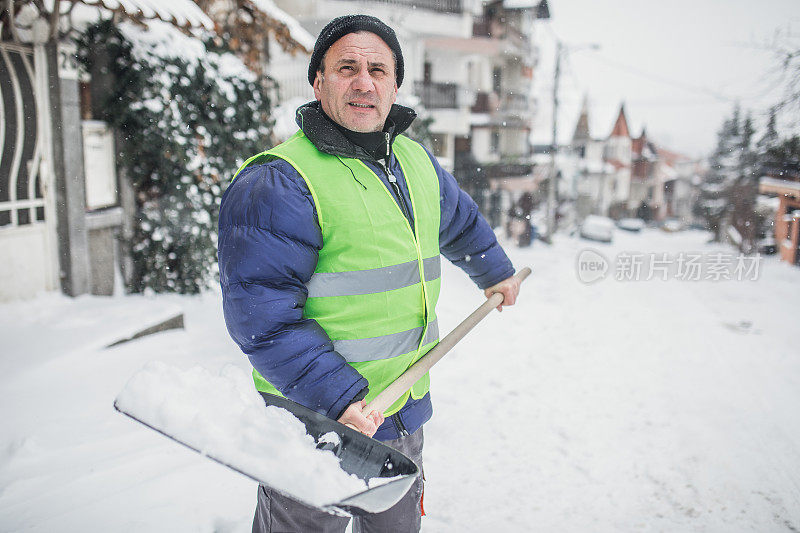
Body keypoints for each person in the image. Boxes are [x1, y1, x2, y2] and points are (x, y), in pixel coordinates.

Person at [217, 14, 522, 532]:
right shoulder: (279, 181)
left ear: (395, 84)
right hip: (314, 424)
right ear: (318, 82)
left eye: (378, 69)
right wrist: (339, 400)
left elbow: (459, 220)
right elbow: (261, 319)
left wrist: (494, 269)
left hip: (399, 411)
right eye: (347, 68)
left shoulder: (415, 161)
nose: (364, 82)